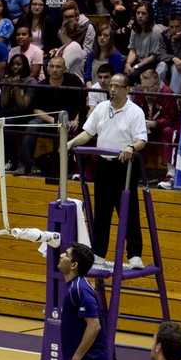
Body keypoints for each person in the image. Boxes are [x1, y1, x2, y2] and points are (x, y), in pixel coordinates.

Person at [66, 73, 148, 268]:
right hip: (103, 164)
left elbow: (142, 140)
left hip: (125, 166)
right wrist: (70, 142)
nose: (112, 89)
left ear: (127, 89)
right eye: (111, 86)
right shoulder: (102, 108)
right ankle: (99, 253)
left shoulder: (135, 111)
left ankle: (135, 254)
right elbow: (88, 133)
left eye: (117, 86)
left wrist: (131, 148)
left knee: (128, 210)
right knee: (102, 211)